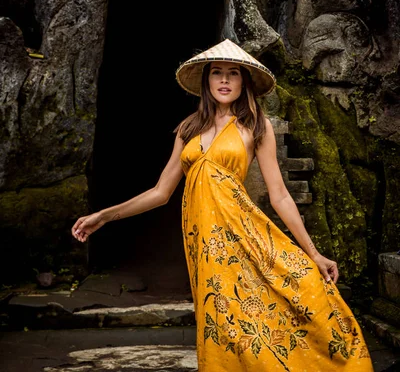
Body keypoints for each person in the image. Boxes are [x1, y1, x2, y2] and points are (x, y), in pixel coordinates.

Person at [72, 38, 373, 371]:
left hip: (245, 236)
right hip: (205, 247)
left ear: (244, 81)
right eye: (217, 73)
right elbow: (160, 191)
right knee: (222, 324)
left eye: (233, 73)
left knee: (266, 314)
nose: (225, 80)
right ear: (207, 80)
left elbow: (280, 194)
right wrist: (104, 216)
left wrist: (314, 253)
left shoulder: (256, 126)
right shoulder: (188, 129)